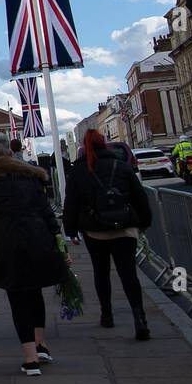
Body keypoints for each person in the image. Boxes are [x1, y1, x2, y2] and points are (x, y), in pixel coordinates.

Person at [0, 133, 68, 375]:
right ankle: (41, 344)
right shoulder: (30, 176)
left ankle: (30, 358)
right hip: (37, 238)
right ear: (10, 152)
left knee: (17, 297)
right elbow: (46, 212)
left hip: (3, 244)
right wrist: (58, 241)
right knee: (34, 292)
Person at [62, 129, 152, 340]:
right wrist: (145, 223)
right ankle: (139, 318)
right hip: (125, 229)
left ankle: (107, 315)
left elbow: (71, 204)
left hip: (95, 230)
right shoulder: (121, 166)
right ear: (105, 144)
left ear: (84, 147)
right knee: (129, 274)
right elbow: (140, 197)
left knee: (101, 273)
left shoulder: (79, 172)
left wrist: (70, 231)